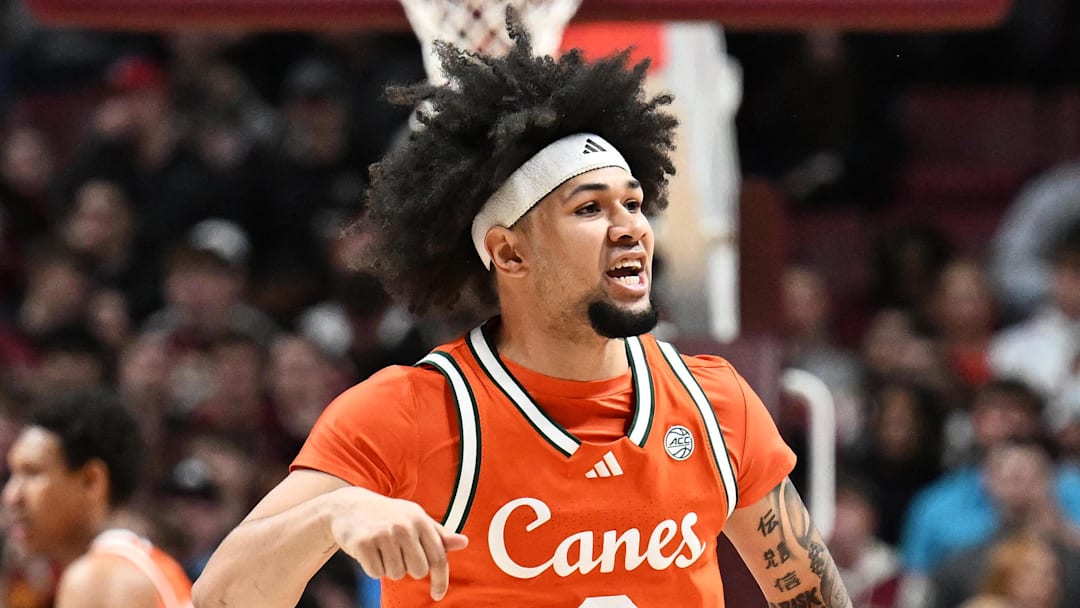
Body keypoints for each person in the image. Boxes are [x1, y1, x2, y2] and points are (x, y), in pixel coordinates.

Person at [193, 17, 852, 608]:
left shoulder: (716, 404)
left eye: (632, 203)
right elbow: (219, 598)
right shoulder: (407, 414)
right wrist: (333, 516)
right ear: (508, 253)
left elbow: (811, 595)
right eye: (590, 209)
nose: (631, 228)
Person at [2, 388, 193, 607]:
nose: (11, 495)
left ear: (92, 481)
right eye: (12, 474)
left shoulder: (99, 580)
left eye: (32, 473)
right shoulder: (144, 565)